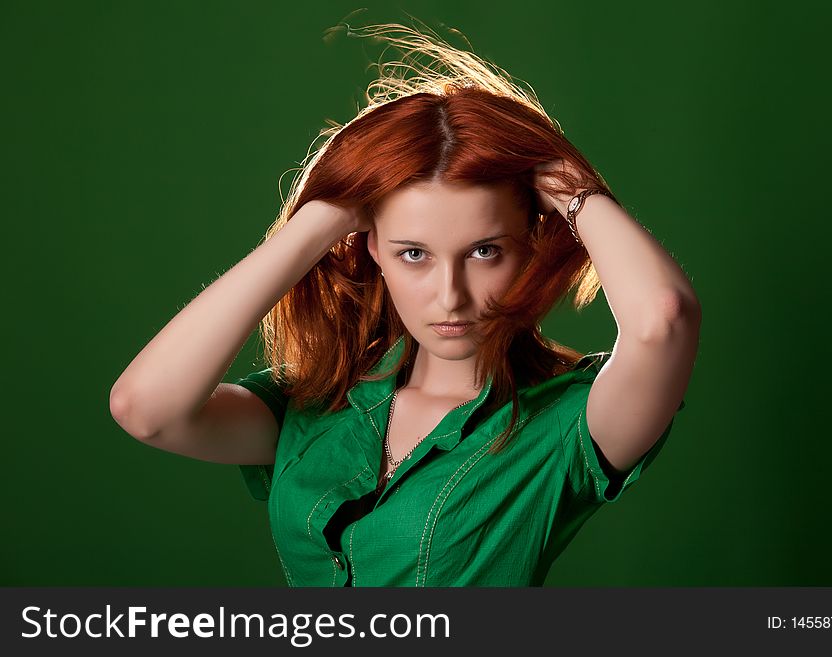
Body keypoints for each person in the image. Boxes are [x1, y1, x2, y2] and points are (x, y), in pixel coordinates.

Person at [109, 21, 701, 587]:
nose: (450, 295)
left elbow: (664, 319)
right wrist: (317, 224)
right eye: (414, 253)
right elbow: (145, 408)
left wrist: (571, 187)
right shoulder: (321, 400)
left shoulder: (569, 423)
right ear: (372, 250)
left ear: (532, 244)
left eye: (484, 251)